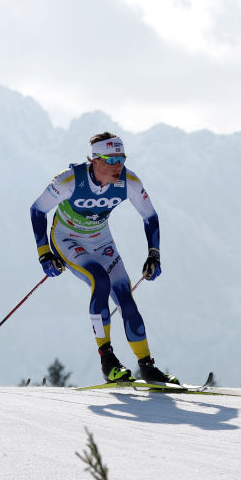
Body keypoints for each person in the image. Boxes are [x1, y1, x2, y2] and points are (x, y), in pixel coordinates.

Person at [30, 132, 178, 384]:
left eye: (121, 159)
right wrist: (44, 253)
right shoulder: (68, 181)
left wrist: (154, 254)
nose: (118, 166)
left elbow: (150, 216)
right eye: (111, 160)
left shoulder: (129, 181)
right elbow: (37, 210)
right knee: (100, 280)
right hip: (67, 240)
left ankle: (147, 366)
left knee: (125, 297)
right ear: (95, 160)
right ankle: (108, 361)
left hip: (101, 241)